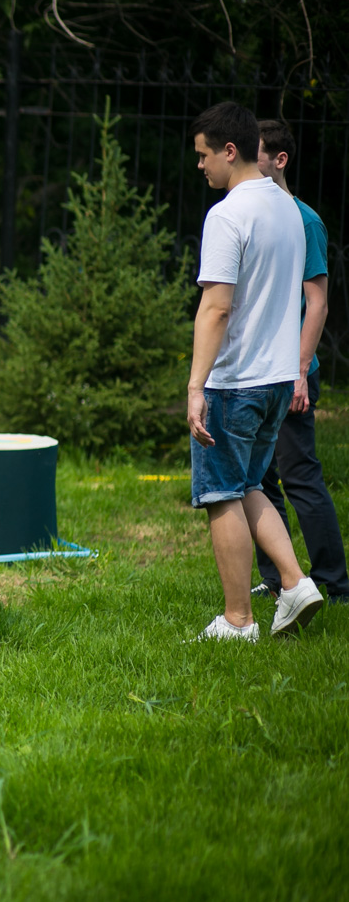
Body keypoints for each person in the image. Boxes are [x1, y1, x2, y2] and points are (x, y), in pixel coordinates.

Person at [185, 101, 322, 641]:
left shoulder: (227, 213)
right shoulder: (288, 208)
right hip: (277, 378)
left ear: (229, 151)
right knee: (249, 486)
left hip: (233, 381)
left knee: (221, 494)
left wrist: (196, 386)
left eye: (203, 156)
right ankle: (295, 582)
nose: (200, 167)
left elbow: (216, 306)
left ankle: (238, 620)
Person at [249, 119, 348, 605]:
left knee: (299, 476)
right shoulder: (256, 216)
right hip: (259, 374)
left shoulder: (304, 220)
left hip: (290, 376)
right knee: (261, 480)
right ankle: (277, 578)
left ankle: (333, 581)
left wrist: (299, 372)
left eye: (257, 152)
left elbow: (318, 302)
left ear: (279, 160)